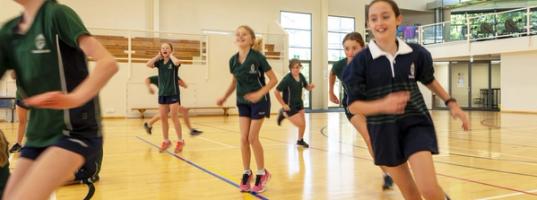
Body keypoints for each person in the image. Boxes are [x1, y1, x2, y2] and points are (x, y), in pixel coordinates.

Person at [343, 0, 469, 199]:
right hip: (384, 131)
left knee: (428, 189)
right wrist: (382, 105)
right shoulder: (359, 63)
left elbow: (429, 80)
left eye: (385, 16)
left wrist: (451, 103)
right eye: (374, 19)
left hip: (415, 124)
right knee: (411, 195)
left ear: (398, 19)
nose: (380, 23)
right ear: (368, 24)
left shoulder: (415, 53)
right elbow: (354, 105)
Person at [0, 0, 118, 199]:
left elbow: (108, 63)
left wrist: (73, 99)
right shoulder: (10, 30)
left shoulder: (57, 14)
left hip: (73, 131)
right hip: (37, 135)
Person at [328, 32, 394, 190]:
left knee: (383, 139)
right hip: (353, 108)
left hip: (373, 105)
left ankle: (394, 167)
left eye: (354, 48)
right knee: (370, 138)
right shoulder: (340, 65)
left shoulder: (372, 63)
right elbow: (332, 73)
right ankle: (387, 174)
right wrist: (331, 91)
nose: (350, 52)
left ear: (362, 47)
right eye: (346, 49)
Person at [216, 25, 277, 193]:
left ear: (251, 39)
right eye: (238, 34)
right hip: (242, 101)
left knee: (252, 138)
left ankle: (261, 173)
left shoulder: (258, 58)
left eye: (244, 34)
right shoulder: (233, 60)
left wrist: (259, 94)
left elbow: (273, 80)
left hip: (260, 101)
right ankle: (246, 172)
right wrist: (225, 96)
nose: (240, 36)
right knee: (243, 138)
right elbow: (235, 82)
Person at [146, 43, 185, 153]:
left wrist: (170, 55)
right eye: (163, 48)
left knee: (174, 117)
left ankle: (180, 141)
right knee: (163, 117)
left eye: (167, 48)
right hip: (162, 93)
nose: (164, 49)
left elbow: (177, 62)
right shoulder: (159, 63)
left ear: (171, 50)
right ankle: (166, 141)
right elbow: (148, 64)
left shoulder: (173, 62)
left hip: (173, 93)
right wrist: (158, 56)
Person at [275, 59, 314, 148]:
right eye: (294, 68)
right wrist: (283, 105)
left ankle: (300, 140)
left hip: (299, 104)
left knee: (303, 124)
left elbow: (306, 87)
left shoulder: (301, 76)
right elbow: (276, 92)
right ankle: (284, 113)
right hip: (290, 106)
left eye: (298, 67)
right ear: (291, 68)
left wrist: (310, 87)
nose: (296, 69)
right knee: (301, 124)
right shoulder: (287, 79)